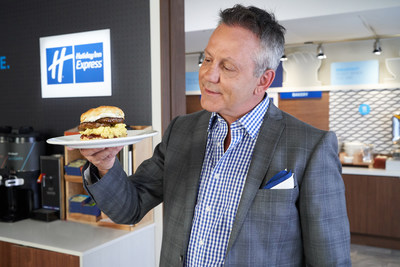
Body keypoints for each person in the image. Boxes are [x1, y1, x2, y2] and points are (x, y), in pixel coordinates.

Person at [80, 4, 351, 266]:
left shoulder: (311, 147)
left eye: (228, 67)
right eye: (207, 59)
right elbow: (130, 208)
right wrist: (105, 166)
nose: (208, 75)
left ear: (264, 80)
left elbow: (330, 260)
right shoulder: (181, 131)